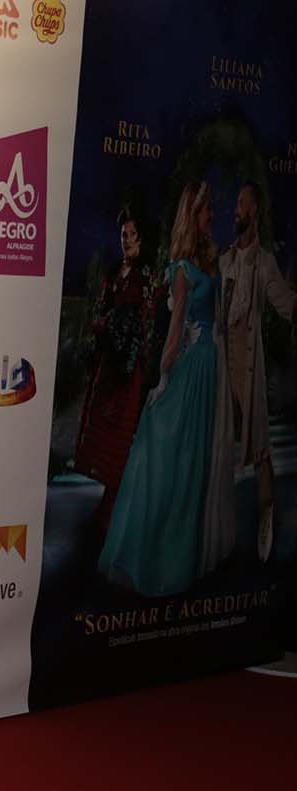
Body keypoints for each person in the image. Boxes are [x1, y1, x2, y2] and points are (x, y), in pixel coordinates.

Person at [99, 180, 234, 595]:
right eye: (206, 209)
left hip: (211, 367)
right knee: (179, 464)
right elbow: (175, 333)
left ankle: (188, 558)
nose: (212, 215)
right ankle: (161, 560)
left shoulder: (210, 260)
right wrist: (163, 380)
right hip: (192, 371)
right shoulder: (181, 269)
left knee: (197, 465)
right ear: (193, 214)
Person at [220, 181, 295, 561]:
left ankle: (266, 513)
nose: (236, 208)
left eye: (241, 203)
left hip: (249, 368)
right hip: (222, 364)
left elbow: (284, 301)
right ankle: (217, 529)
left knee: (260, 449)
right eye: (236, 202)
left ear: (255, 212)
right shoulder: (225, 260)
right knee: (219, 445)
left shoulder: (263, 262)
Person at [73, 206, 162, 527]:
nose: (127, 240)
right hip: (108, 362)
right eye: (123, 235)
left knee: (121, 435)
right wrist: (104, 326)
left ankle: (114, 507)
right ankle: (109, 501)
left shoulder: (146, 276)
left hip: (128, 366)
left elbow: (147, 320)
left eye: (132, 235)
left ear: (141, 238)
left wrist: (133, 344)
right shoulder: (113, 273)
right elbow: (101, 310)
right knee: (101, 432)